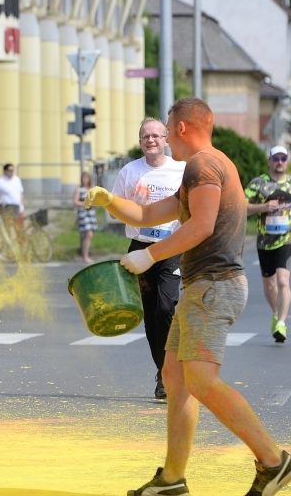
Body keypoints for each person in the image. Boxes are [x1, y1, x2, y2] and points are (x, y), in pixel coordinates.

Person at [85, 97, 291, 496]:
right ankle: (172, 479)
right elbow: (148, 216)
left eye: (166, 123)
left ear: (180, 127)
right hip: (202, 286)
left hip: (214, 285)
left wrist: (149, 255)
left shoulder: (203, 164)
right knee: (175, 379)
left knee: (200, 379)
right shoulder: (204, 167)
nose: (162, 130)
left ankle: (274, 461)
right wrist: (111, 201)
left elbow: (202, 224)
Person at [111, 117, 185, 400]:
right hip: (140, 249)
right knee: (152, 315)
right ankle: (163, 374)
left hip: (170, 248)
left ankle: (169, 371)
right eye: (145, 136)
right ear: (140, 141)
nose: (151, 140)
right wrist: (128, 206)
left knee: (166, 308)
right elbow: (114, 208)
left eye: (156, 135)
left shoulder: (181, 169)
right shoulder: (130, 172)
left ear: (166, 139)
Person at [245, 145, 291, 343]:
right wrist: (264, 206)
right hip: (265, 240)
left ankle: (281, 322)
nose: (279, 162)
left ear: (287, 161)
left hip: (286, 239)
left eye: (283, 158)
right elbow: (242, 206)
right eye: (276, 158)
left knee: (283, 280)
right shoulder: (258, 184)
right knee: (269, 285)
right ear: (269, 161)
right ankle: (275, 313)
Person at [73, 172, 97, 263]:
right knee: (88, 233)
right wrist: (85, 204)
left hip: (91, 213)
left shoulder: (91, 189)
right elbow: (75, 202)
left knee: (89, 235)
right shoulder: (79, 189)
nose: (85, 180)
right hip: (83, 214)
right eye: (83, 178)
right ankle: (85, 255)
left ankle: (85, 254)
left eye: (87, 178)